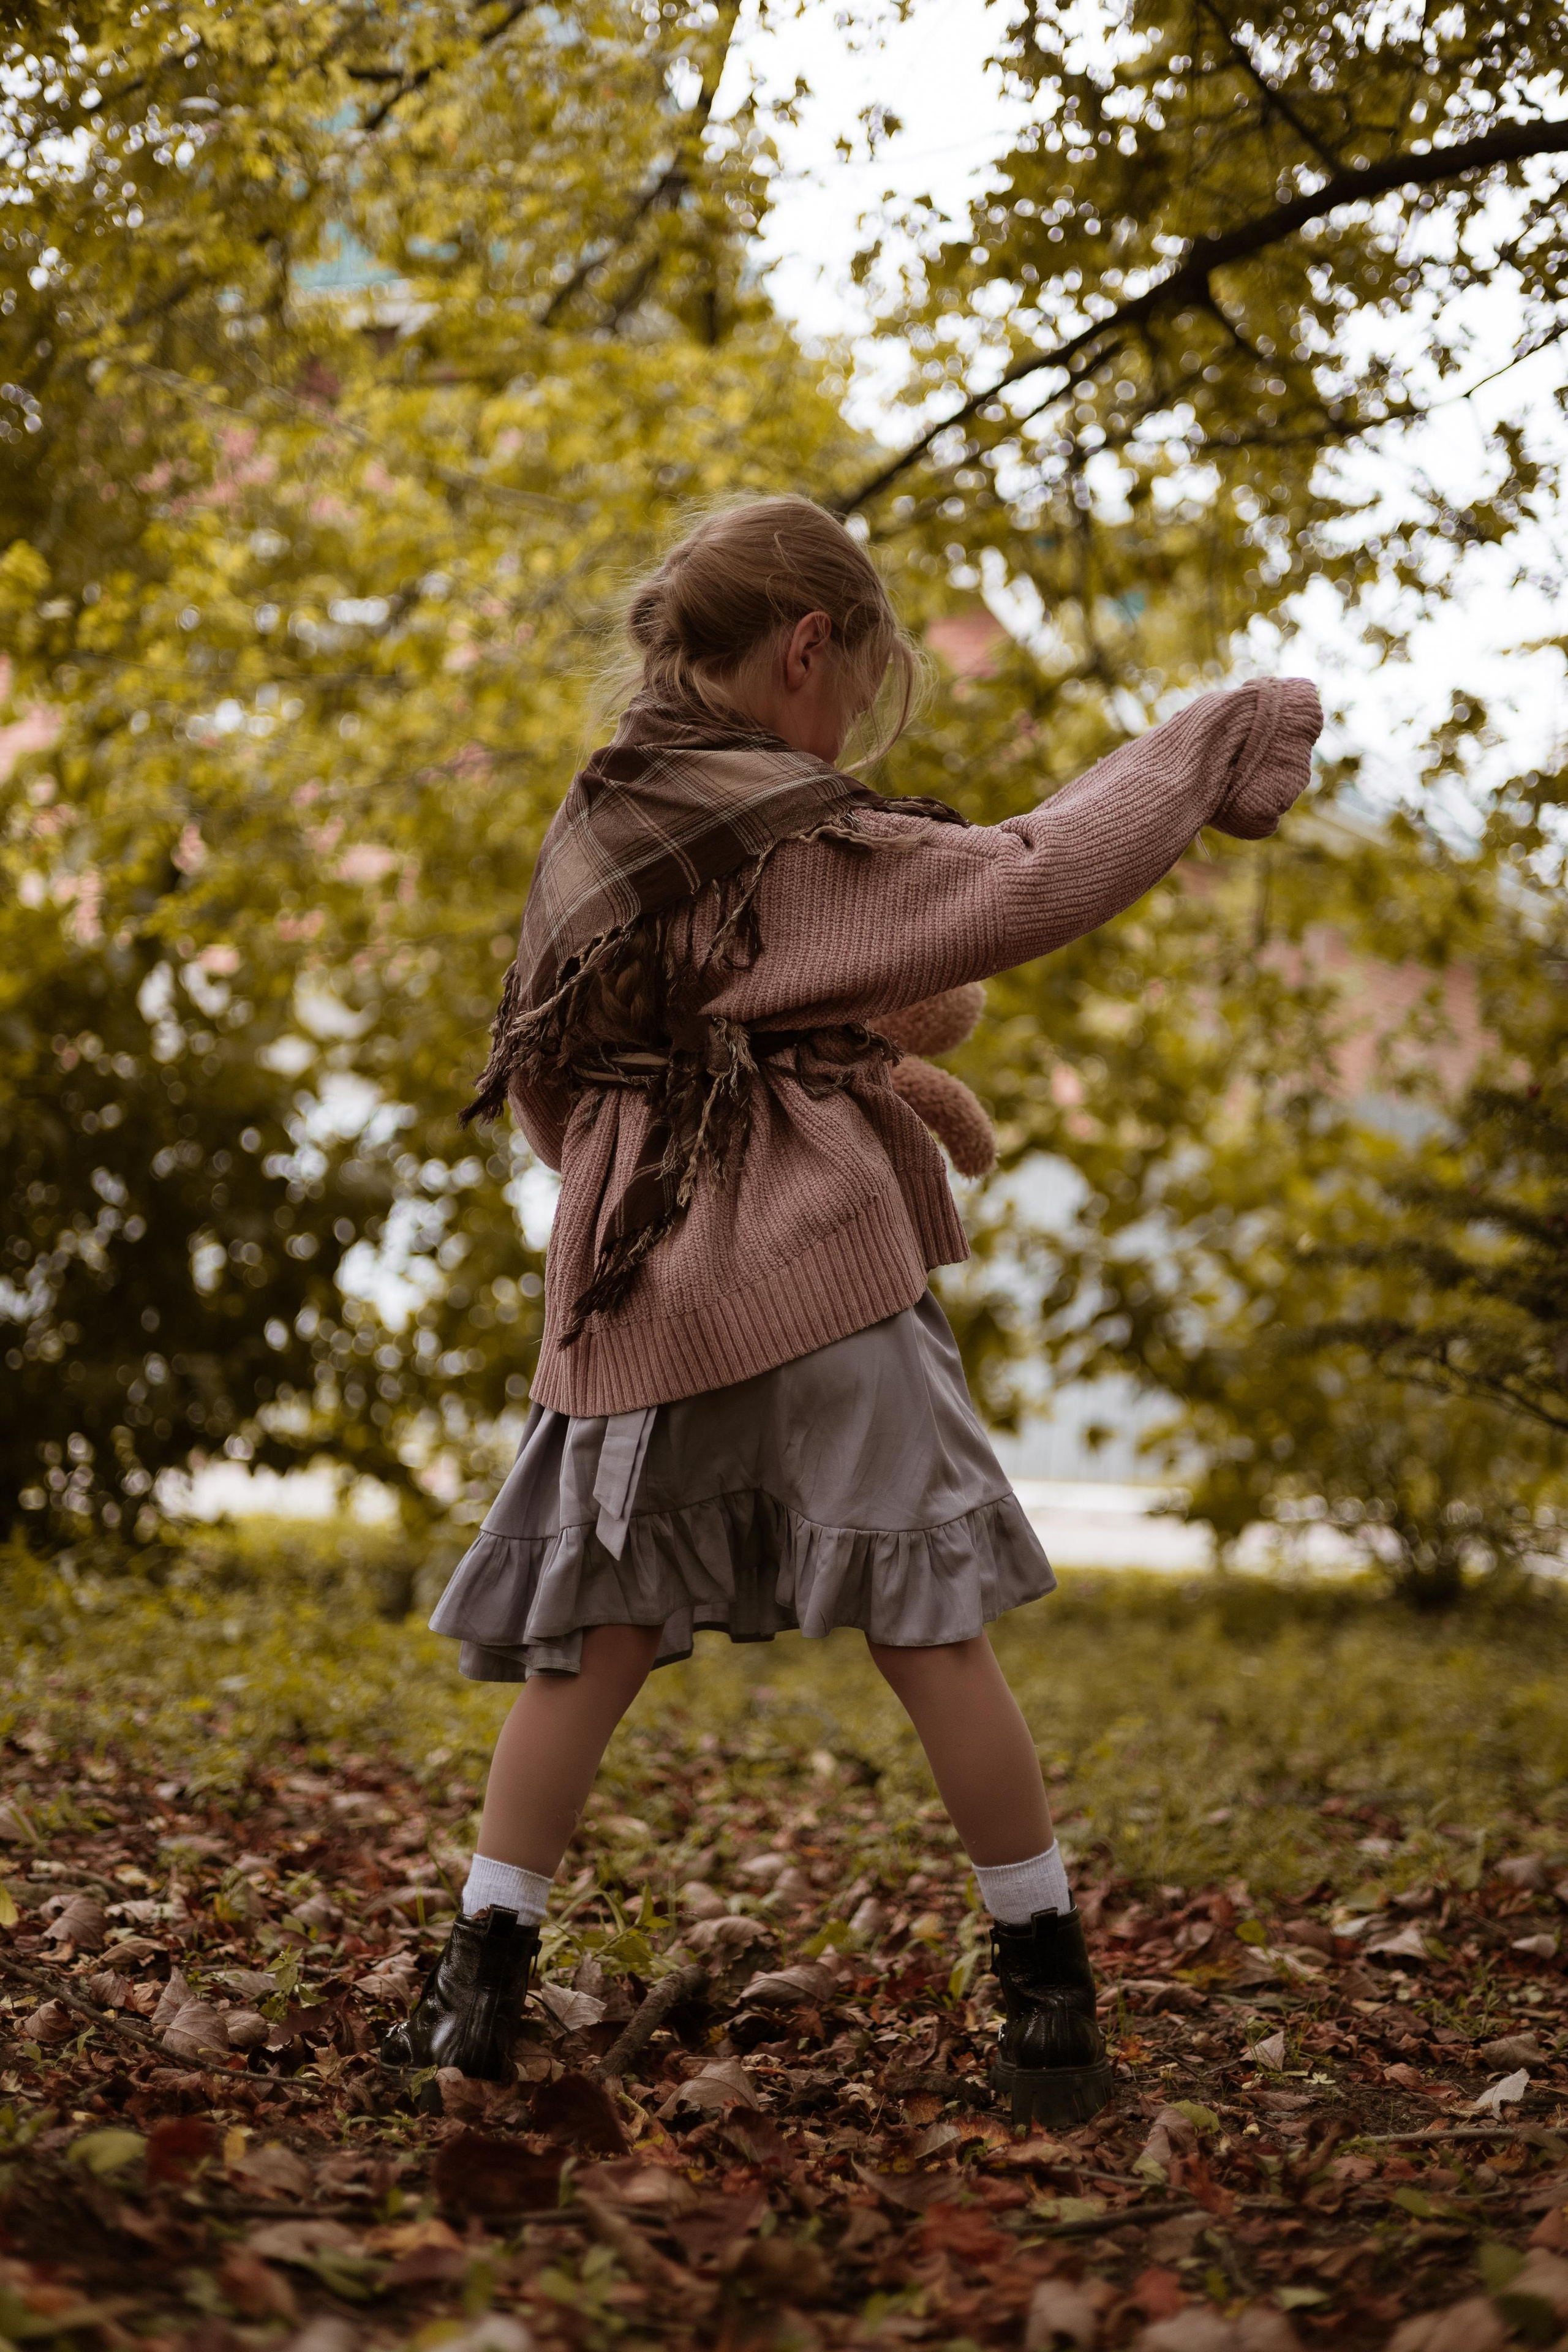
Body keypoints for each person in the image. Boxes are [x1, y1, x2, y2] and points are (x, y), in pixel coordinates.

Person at [383, 496, 1322, 2124]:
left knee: (586, 1649)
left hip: (636, 1289)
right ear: (809, 646)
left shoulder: (597, 820)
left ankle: (480, 1988)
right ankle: (1045, 2003)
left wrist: (629, 1186)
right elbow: (1022, 881)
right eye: (853, 675)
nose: (846, 720)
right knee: (930, 1628)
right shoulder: (796, 832)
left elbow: (541, 1079)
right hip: (823, 1275)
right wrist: (1216, 733)